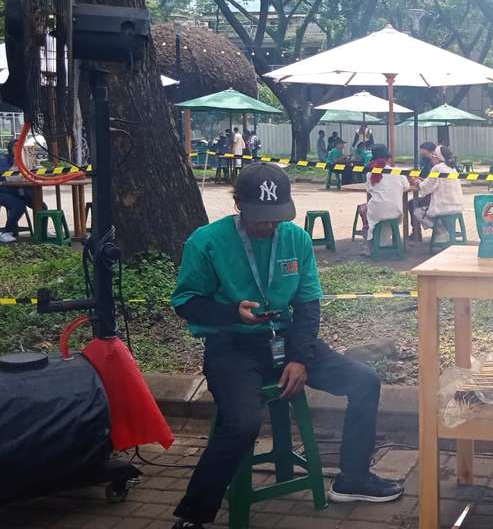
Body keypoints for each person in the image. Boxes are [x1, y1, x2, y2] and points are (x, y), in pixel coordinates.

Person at [169, 163, 402, 529]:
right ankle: (194, 515)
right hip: (232, 347)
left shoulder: (296, 238)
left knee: (364, 382)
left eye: (276, 217)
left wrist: (299, 358)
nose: (269, 226)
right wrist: (232, 311)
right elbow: (186, 303)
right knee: (243, 423)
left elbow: (308, 306)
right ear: (238, 205)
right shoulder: (206, 242)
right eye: (260, 218)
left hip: (286, 339)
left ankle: (352, 479)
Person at [356, 146, 409, 255]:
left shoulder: (370, 173)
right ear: (388, 159)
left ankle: (369, 246)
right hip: (396, 211)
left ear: (373, 160)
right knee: (382, 213)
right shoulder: (398, 172)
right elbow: (406, 187)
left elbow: (369, 190)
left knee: (362, 208)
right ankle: (387, 242)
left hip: (378, 211)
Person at [413, 145, 464, 242]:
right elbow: (434, 183)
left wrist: (417, 182)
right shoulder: (451, 168)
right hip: (457, 206)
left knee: (417, 211)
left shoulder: (437, 168)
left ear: (437, 157)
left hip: (443, 207)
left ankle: (441, 231)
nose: (431, 158)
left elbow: (426, 188)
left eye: (433, 155)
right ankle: (445, 231)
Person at [0, 139, 32, 243]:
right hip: (5, 192)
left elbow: (32, 174)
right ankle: (7, 232)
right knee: (18, 206)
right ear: (10, 148)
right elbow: (6, 177)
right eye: (16, 146)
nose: (19, 148)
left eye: (21, 146)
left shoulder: (27, 158)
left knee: (41, 206)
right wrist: (15, 164)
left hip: (21, 191)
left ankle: (42, 233)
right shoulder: (4, 159)